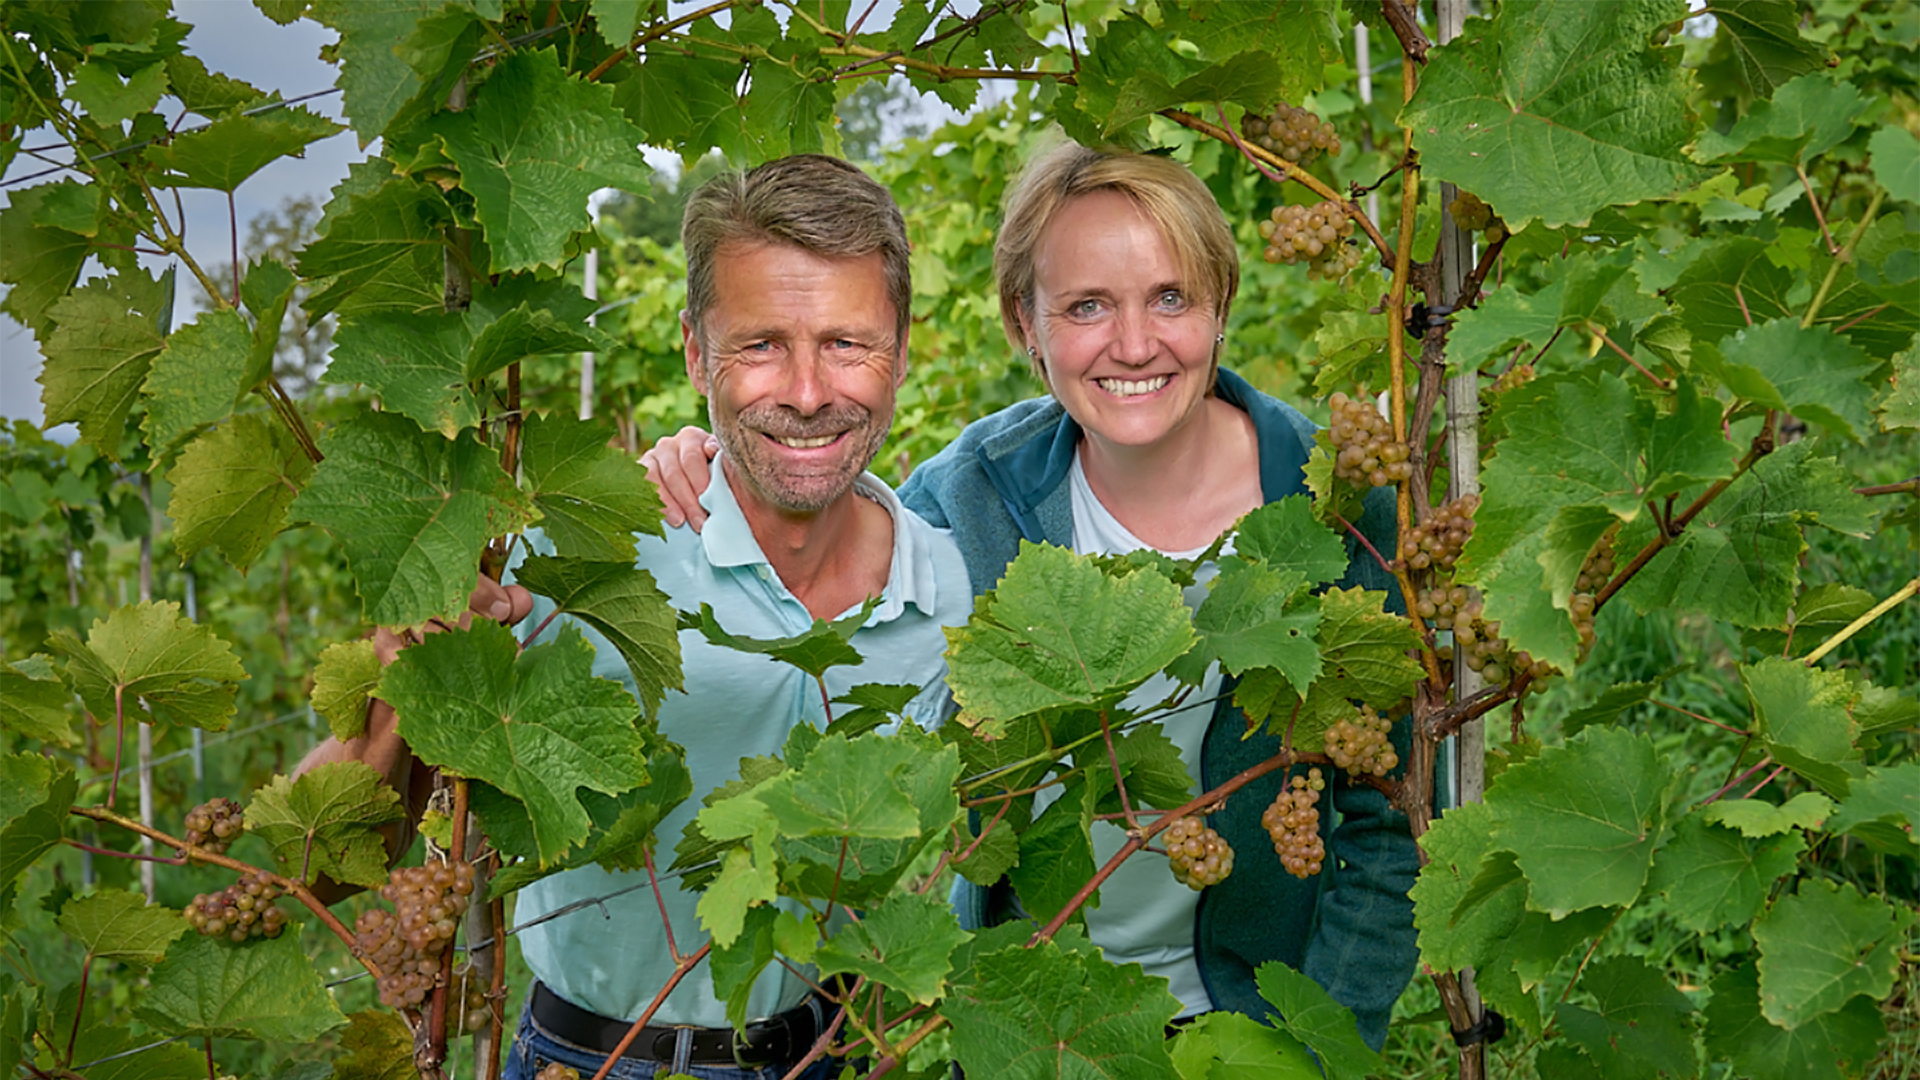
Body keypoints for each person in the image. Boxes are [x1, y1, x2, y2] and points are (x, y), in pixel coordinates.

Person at [640, 140, 1419, 1048]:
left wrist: (1320, 1044)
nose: (1134, 343)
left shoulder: (1335, 509)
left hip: (1252, 1030)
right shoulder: (969, 497)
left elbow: (1387, 824)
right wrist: (699, 457)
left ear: (1219, 309)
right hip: (1029, 1028)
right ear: (1024, 323)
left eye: (1170, 297)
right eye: (1086, 306)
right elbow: (821, 502)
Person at [301, 154, 973, 1080]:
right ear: (697, 352)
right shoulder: (570, 555)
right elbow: (324, 871)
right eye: (762, 344)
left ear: (902, 349)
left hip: (832, 1057)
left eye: (848, 344)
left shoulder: (946, 589)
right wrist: (398, 685)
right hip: (585, 1060)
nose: (811, 393)